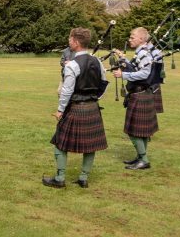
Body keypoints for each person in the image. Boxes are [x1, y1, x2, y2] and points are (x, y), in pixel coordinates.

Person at [43, 28, 108, 189]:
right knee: (90, 145)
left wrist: (60, 110)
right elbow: (104, 83)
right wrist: (94, 98)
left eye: (70, 39)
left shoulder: (72, 65)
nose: (68, 42)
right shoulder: (97, 62)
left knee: (60, 142)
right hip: (93, 108)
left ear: (77, 42)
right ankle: (83, 178)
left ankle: (60, 178)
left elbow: (67, 90)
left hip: (76, 107)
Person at [113, 27, 158, 170]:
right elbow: (135, 68)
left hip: (140, 95)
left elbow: (144, 73)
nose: (129, 39)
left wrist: (123, 75)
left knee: (134, 131)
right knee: (141, 131)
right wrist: (123, 58)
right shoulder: (141, 52)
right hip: (142, 94)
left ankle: (144, 160)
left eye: (132, 37)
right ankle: (140, 157)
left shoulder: (144, 53)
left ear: (141, 39)